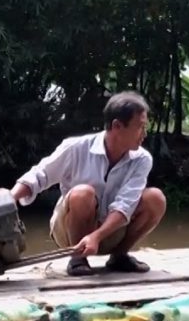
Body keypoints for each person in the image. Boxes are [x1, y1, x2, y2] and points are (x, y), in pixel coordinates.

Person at [10, 91, 167, 276]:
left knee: (156, 198)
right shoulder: (76, 147)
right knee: (83, 193)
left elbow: (125, 205)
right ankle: (77, 259)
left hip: (110, 232)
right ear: (117, 126)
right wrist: (9, 199)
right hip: (68, 232)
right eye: (140, 127)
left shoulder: (142, 159)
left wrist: (96, 236)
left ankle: (119, 256)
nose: (144, 133)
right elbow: (40, 175)